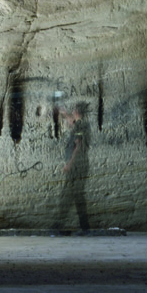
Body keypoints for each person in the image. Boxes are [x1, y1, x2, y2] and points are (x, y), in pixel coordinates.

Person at [54, 100, 91, 233]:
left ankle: (58, 225)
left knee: (68, 194)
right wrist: (64, 113)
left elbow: (79, 146)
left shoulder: (81, 126)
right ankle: (84, 226)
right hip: (79, 165)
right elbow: (72, 123)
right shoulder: (81, 124)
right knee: (77, 195)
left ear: (77, 112)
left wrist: (70, 163)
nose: (72, 112)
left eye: (74, 110)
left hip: (77, 166)